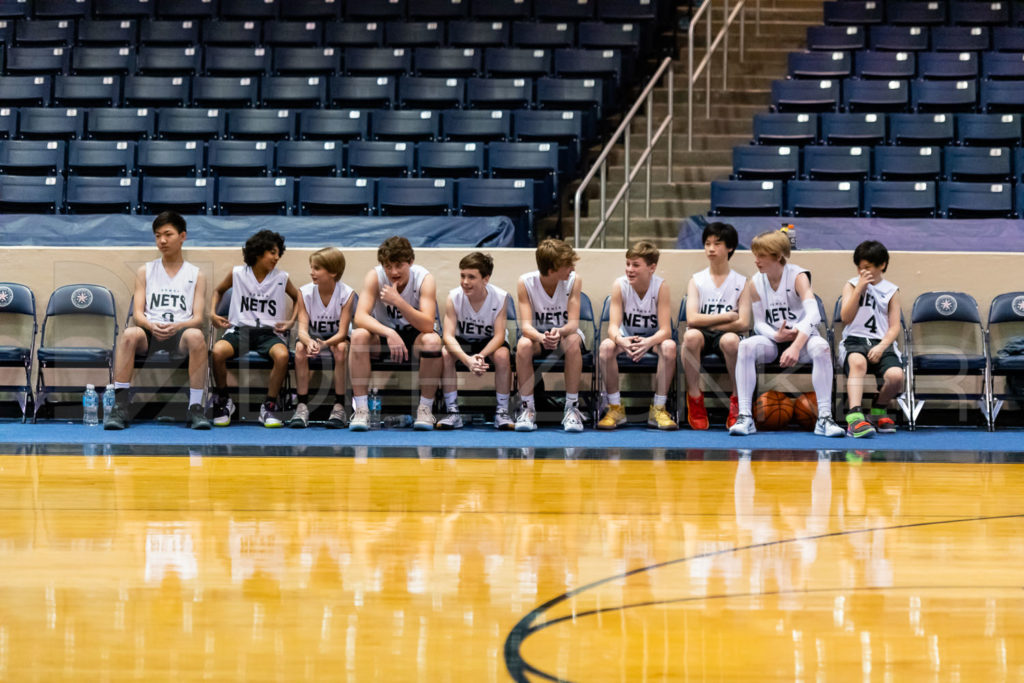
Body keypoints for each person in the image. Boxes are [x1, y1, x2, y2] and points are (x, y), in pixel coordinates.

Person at [729, 230, 844, 437]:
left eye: (762, 255)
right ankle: (745, 417)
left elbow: (814, 315)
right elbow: (759, 323)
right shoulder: (755, 282)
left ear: (778, 256)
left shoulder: (798, 276)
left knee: (822, 348)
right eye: (755, 255)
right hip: (775, 340)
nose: (756, 261)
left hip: (803, 339)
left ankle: (825, 418)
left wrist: (796, 345)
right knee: (745, 345)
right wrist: (775, 336)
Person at [105, 211, 210, 430]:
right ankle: (121, 405)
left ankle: (195, 408)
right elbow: (138, 314)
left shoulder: (196, 274)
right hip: (150, 332)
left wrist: (178, 326)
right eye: (157, 235)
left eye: (168, 234)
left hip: (181, 333)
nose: (162, 240)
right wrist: (151, 325)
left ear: (182, 236)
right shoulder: (146, 271)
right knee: (128, 334)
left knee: (197, 336)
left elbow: (198, 318)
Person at [348, 235, 442, 431]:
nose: (393, 272)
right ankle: (362, 410)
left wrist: (398, 301)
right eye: (388, 266)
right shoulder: (375, 276)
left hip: (414, 335)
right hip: (384, 335)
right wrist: (389, 333)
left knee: (432, 341)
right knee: (358, 336)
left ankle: (425, 409)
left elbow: (427, 324)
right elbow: (360, 317)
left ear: (411, 262)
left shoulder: (425, 278)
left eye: (399, 265)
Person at [209, 229, 299, 428]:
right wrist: (213, 313)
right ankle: (224, 400)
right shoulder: (238, 273)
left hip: (269, 333)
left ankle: (269, 405)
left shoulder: (281, 277)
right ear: (258, 253)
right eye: (272, 253)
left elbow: (298, 297)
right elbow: (218, 290)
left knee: (283, 356)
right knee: (217, 352)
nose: (276, 258)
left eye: (278, 253)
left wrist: (292, 321)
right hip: (240, 330)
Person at [596, 240, 678, 430]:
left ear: (652, 268)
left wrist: (648, 343)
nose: (629, 269)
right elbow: (612, 327)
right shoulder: (620, 285)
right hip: (627, 339)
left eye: (635, 265)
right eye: (627, 264)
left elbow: (666, 330)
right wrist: (621, 341)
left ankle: (658, 409)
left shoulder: (661, 287)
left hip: (652, 339)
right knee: (606, 347)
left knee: (670, 346)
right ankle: (615, 408)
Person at [680, 222, 751, 430]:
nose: (711, 248)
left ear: (729, 248)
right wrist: (727, 316)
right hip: (701, 336)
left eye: (717, 244)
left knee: (731, 341)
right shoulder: (697, 280)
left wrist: (713, 324)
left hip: (725, 335)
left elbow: (744, 323)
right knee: (691, 337)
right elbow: (692, 319)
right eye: (707, 243)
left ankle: (738, 401)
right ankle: (694, 398)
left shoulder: (741, 281)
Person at [437, 252, 514, 430]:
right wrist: (467, 360)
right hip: (462, 341)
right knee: (445, 354)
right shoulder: (454, 297)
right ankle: (453, 412)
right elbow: (447, 336)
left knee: (503, 355)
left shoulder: (501, 297)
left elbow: (499, 336)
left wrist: (480, 356)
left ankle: (502, 412)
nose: (465, 281)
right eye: (462, 276)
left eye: (471, 277)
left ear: (485, 279)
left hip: (489, 343)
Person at [515, 238, 585, 432]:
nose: (572, 268)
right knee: (523, 345)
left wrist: (559, 332)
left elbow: (573, 324)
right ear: (553, 269)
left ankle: (571, 408)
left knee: (573, 341)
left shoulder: (573, 280)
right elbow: (526, 327)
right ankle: (527, 409)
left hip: (565, 335)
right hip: (538, 337)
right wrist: (541, 337)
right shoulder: (525, 282)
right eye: (567, 265)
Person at [838, 240, 904, 437]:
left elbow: (894, 327)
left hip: (880, 342)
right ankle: (855, 417)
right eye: (859, 267)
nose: (862, 271)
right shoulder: (851, 285)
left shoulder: (891, 290)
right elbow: (845, 318)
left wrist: (882, 346)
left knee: (896, 376)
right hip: (855, 340)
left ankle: (878, 409)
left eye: (866, 267)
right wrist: (859, 289)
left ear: (881, 265)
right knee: (857, 363)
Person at [287, 247, 354, 429]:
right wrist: (309, 342)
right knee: (300, 349)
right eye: (311, 267)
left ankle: (339, 406)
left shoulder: (347, 294)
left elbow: (342, 333)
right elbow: (302, 329)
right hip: (313, 337)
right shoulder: (304, 292)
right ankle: (301, 406)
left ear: (333, 272)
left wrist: (324, 344)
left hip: (335, 339)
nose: (311, 272)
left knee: (341, 349)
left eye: (317, 268)